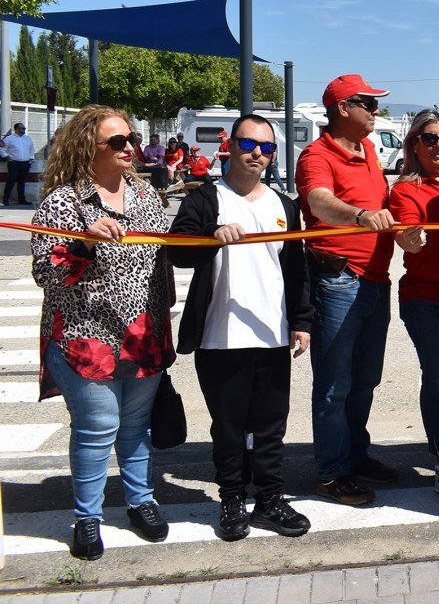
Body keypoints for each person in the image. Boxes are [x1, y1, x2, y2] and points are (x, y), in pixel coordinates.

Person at [32, 105, 174, 560]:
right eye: (117, 141)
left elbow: (164, 255)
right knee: (97, 429)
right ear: (86, 148)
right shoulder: (63, 202)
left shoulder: (145, 193)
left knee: (136, 427)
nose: (129, 146)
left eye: (131, 138)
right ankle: (87, 518)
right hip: (85, 336)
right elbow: (46, 273)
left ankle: (141, 501)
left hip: (142, 334)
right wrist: (83, 243)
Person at [168, 115, 314, 541]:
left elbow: (296, 269)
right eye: (249, 144)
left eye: (267, 148)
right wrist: (211, 234)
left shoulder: (285, 205)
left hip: (272, 334)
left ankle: (270, 499)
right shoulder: (206, 198)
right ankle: (231, 498)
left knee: (271, 425)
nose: (257, 154)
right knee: (229, 428)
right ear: (230, 147)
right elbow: (177, 250)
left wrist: (301, 321)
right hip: (221, 335)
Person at [296, 74, 397, 505]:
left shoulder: (368, 149)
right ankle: (332, 472)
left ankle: (355, 456)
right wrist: (359, 216)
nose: (376, 110)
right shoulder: (316, 155)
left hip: (374, 280)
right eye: (368, 104)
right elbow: (319, 201)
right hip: (338, 280)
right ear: (342, 108)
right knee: (335, 383)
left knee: (365, 379)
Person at [388, 111, 439, 496]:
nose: (438, 145)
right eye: (429, 138)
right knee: (438, 379)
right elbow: (408, 239)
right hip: (427, 297)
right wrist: (411, 238)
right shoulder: (405, 190)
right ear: (414, 145)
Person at [3, 122, 34, 205]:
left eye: (24, 128)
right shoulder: (9, 139)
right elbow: (2, 149)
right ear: (16, 129)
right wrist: (7, 157)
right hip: (14, 163)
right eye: (22, 128)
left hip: (25, 163)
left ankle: (21, 199)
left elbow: (31, 149)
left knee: (22, 182)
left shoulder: (27, 138)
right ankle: (6, 199)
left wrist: (31, 159)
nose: (24, 130)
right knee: (11, 180)